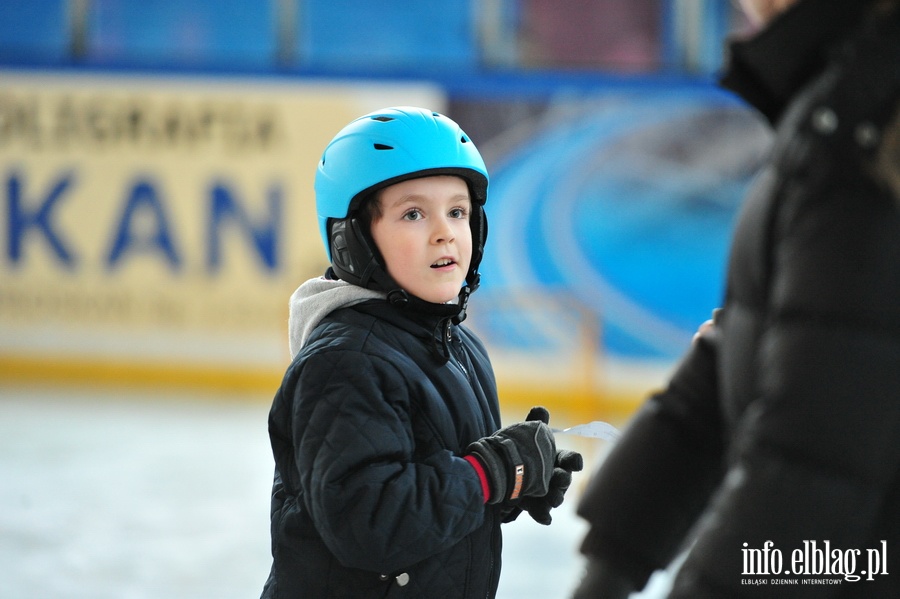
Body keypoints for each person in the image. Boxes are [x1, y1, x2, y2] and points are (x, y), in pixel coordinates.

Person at [573, 0, 900, 597]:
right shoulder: (836, 106)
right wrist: (616, 556)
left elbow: (812, 461)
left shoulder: (862, 128)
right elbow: (750, 346)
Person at [260, 106, 583, 599]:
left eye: (457, 211)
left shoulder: (457, 345)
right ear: (353, 241)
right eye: (414, 213)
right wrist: (487, 473)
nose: (444, 231)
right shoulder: (346, 362)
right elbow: (370, 525)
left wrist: (509, 485)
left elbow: (428, 497)